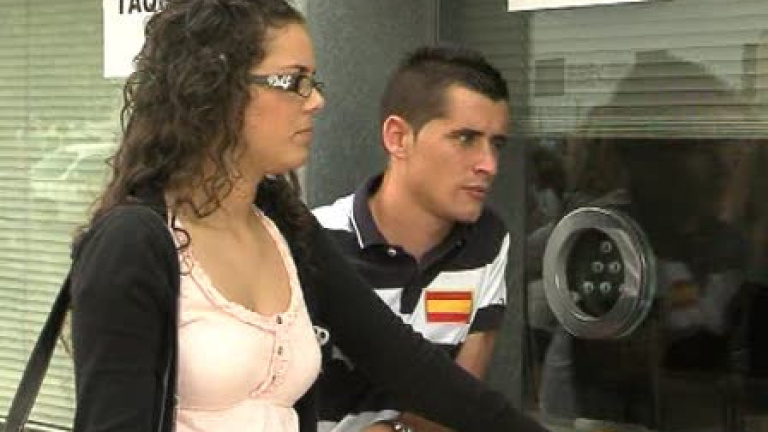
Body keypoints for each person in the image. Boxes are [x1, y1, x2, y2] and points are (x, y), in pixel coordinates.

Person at [67, 1, 549, 432]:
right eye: (294, 81)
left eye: (313, 82)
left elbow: (409, 366)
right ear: (218, 90)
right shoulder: (134, 242)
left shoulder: (286, 227)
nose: (316, 100)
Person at [313, 45, 512, 432]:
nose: (489, 164)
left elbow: (459, 406)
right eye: (465, 138)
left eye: (497, 144)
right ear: (398, 137)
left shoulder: (487, 240)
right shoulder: (314, 240)